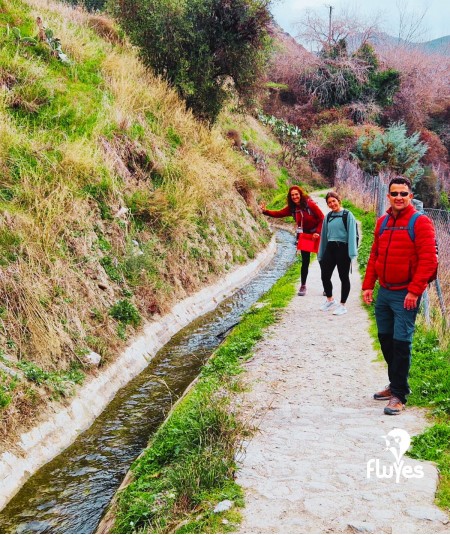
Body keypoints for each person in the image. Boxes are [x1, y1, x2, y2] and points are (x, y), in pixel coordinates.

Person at [362, 176, 438, 416]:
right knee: (385, 340)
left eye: (403, 194)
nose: (399, 198)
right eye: (394, 193)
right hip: (384, 291)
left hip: (406, 293)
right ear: (388, 196)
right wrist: (367, 285)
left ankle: (398, 396)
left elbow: (429, 260)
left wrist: (415, 291)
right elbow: (375, 255)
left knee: (401, 343)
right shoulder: (382, 222)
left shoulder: (420, 222)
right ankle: (395, 383)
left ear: (410, 196)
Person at [260, 185, 324, 296]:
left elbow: (322, 218)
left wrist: (317, 232)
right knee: (305, 261)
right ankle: (303, 286)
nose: (295, 197)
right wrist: (265, 211)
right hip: (304, 235)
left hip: (316, 235)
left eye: (296, 194)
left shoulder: (310, 205)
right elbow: (279, 213)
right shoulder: (292, 208)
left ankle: (326, 287)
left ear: (300, 194)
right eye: (292, 195)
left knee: (322, 261)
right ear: (290, 197)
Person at [317, 191, 358, 316]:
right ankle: (330, 300)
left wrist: (352, 253)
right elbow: (324, 235)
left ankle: (342, 305)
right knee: (325, 275)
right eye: (329, 202)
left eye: (334, 201)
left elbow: (352, 234)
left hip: (343, 248)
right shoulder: (328, 217)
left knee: (343, 277)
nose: (332, 204)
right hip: (330, 247)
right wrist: (321, 253)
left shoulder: (347, 215)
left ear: (338, 200)